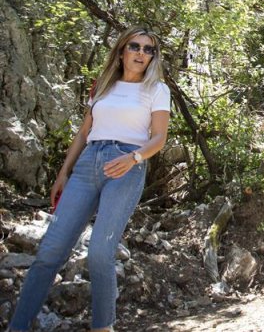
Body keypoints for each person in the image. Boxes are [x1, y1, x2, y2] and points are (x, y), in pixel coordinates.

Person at [9, 27, 170, 332]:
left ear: (153, 57)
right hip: (86, 165)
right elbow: (84, 132)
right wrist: (64, 172)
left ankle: (103, 327)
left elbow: (159, 138)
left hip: (126, 166)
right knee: (49, 253)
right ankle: (17, 327)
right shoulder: (103, 85)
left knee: (100, 251)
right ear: (122, 50)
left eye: (149, 49)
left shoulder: (157, 89)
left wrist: (133, 158)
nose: (141, 53)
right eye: (134, 46)